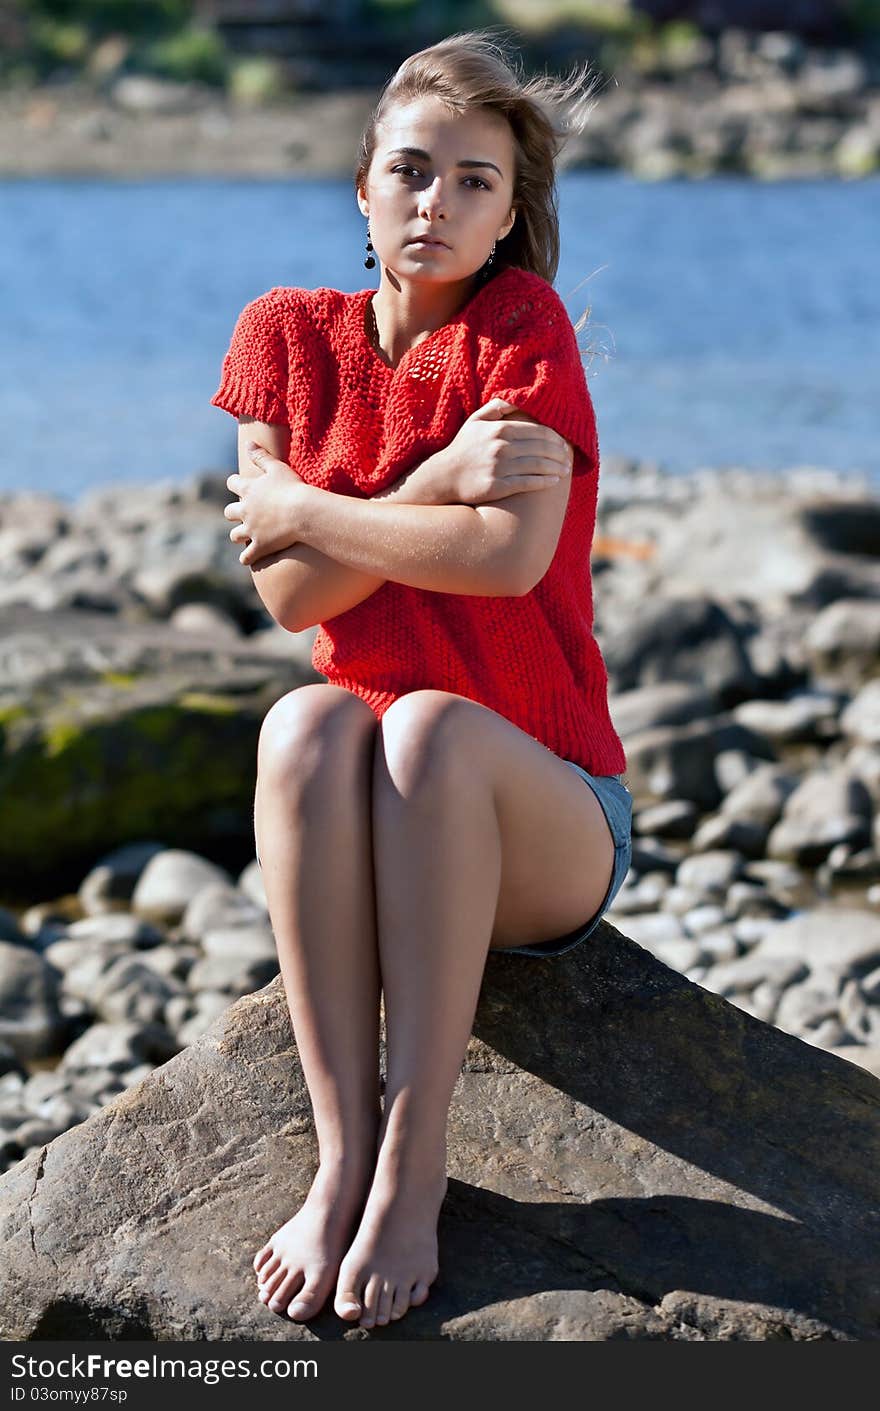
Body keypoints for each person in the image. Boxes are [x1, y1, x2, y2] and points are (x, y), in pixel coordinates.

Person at [211, 29, 630, 1332]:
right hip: (366, 798)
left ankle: (414, 1154)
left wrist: (313, 507)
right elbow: (285, 601)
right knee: (301, 725)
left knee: (436, 731)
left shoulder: (523, 332)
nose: (436, 203)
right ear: (362, 186)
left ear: (511, 216)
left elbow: (503, 563)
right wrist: (424, 488)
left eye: (475, 183)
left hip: (542, 813)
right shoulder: (286, 335)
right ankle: (339, 1155)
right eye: (412, 172)